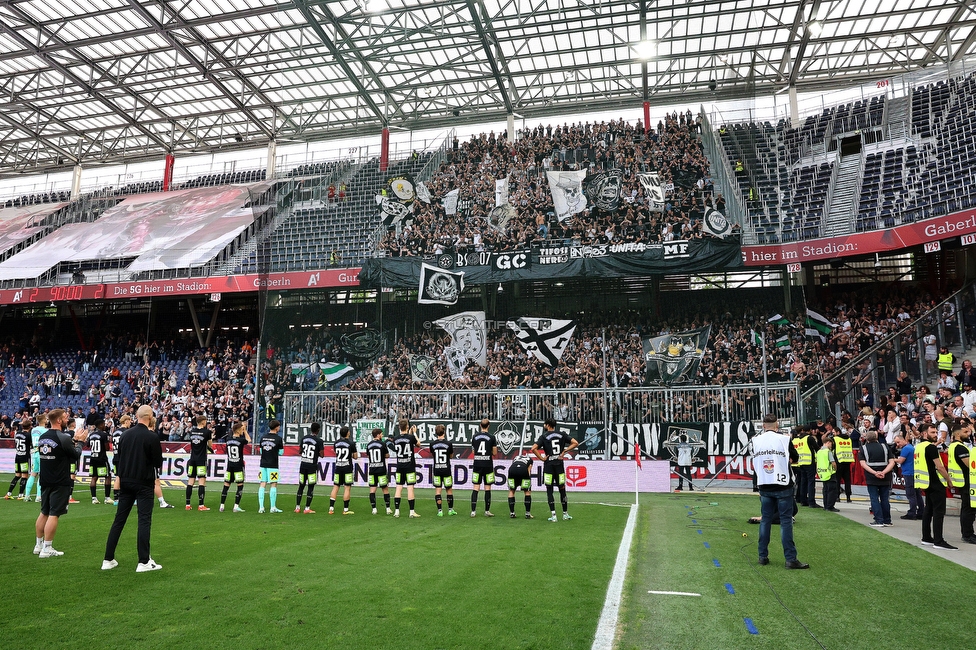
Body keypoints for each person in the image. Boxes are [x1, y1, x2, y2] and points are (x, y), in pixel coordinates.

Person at [102, 405, 163, 572]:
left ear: (137, 416)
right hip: (143, 482)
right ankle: (143, 561)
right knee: (144, 520)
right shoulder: (151, 437)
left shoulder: (125, 435)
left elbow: (119, 458)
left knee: (119, 520)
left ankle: (108, 559)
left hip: (126, 481)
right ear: (150, 417)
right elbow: (158, 462)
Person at [751, 413, 808, 569]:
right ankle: (790, 559)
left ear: (763, 426)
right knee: (785, 522)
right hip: (783, 484)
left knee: (765, 520)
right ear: (777, 426)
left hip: (764, 484)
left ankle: (762, 556)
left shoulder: (755, 441)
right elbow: (795, 458)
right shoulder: (784, 439)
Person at [34, 409, 89, 558]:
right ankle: (47, 547)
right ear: (59, 420)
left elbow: (59, 452)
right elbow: (75, 455)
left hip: (45, 479)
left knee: (44, 512)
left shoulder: (43, 437)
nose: (67, 419)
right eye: (65, 417)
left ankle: (38, 545)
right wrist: (80, 442)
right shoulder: (62, 437)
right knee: (54, 513)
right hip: (60, 480)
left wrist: (74, 441)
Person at [915, 422, 955, 550]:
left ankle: (926, 537)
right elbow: (940, 466)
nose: (936, 435)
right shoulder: (931, 448)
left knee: (929, 510)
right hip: (935, 482)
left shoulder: (919, 446)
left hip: (925, 482)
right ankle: (938, 540)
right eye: (933, 432)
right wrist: (949, 480)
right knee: (938, 512)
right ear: (924, 433)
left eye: (936, 432)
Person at [531, 418, 579, 522]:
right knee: (562, 489)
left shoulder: (544, 436)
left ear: (547, 425)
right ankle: (565, 514)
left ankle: (553, 515)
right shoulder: (562, 434)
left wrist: (542, 458)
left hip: (549, 465)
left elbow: (533, 448)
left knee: (549, 490)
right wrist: (564, 451)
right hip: (559, 465)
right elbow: (575, 443)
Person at [859, 430, 895, 528]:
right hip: (885, 476)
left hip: (872, 477)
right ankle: (887, 520)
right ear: (876, 438)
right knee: (885, 499)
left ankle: (879, 520)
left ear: (867, 439)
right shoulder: (885, 447)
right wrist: (884, 472)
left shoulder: (863, 448)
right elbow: (892, 462)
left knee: (874, 499)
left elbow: (863, 464)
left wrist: (875, 473)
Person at [947, 423, 975, 544]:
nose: (968, 434)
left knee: (966, 508)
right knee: (969, 509)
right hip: (966, 481)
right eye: (966, 432)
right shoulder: (960, 448)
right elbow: (970, 465)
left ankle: (967, 533)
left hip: (960, 481)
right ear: (958, 434)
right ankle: (967, 534)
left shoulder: (953, 446)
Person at [392, 419, 421, 518]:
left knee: (398, 488)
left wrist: (409, 433)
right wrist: (415, 433)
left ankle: (396, 511)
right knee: (410, 488)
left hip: (400, 466)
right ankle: (411, 511)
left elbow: (404, 440)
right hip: (409, 466)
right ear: (407, 426)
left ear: (399, 427)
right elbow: (418, 444)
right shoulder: (411, 437)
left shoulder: (395, 438)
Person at [219, 421, 249, 513]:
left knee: (226, 485)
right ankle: (236, 506)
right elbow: (249, 440)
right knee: (240, 486)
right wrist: (245, 431)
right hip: (238, 466)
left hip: (230, 466)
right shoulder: (241, 440)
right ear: (239, 430)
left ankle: (222, 506)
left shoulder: (228, 439)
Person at [470, 418, 498, 517]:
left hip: (477, 464)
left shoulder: (474, 436)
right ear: (488, 426)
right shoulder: (492, 437)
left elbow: (473, 452)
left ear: (480, 425)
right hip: (488, 465)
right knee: (487, 488)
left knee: (476, 487)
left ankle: (473, 511)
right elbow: (495, 453)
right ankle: (487, 511)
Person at [329, 425, 359, 515]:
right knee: (347, 487)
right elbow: (355, 457)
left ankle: (331, 508)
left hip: (338, 466)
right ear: (348, 433)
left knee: (336, 486)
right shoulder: (351, 443)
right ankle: (345, 510)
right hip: (347, 468)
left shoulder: (336, 443)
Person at [185, 415, 212, 511]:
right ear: (203, 422)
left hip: (192, 459)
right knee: (201, 481)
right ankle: (201, 505)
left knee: (190, 481)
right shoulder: (207, 432)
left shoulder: (192, 431)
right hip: (201, 459)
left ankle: (187, 504)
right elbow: (210, 444)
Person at [296, 422, 324, 513]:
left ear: (311, 429)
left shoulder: (304, 438)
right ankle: (307, 508)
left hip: (303, 465)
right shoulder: (319, 441)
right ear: (318, 430)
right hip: (312, 466)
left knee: (301, 486)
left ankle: (297, 507)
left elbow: (300, 451)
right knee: (310, 487)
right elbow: (322, 454)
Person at [257, 419, 285, 514]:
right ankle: (272, 507)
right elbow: (281, 452)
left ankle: (261, 507)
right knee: (273, 484)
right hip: (273, 464)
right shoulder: (278, 439)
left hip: (263, 463)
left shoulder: (263, 437)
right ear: (277, 427)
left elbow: (261, 451)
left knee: (262, 484)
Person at [429, 424, 456, 517]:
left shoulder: (432, 444)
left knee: (438, 490)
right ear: (444, 432)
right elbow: (451, 456)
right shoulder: (448, 444)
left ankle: (440, 511)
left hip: (437, 469)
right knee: (449, 490)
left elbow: (433, 455)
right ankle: (450, 510)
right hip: (446, 469)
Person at [894, 434, 921, 520]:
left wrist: (892, 459)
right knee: (917, 494)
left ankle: (912, 513)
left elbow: (901, 460)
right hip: (913, 472)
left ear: (903, 440)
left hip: (908, 473)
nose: (897, 444)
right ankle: (921, 512)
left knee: (910, 494)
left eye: (898, 442)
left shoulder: (906, 449)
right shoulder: (911, 447)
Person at [365, 428, 392, 515]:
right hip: (381, 469)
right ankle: (388, 509)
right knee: (385, 489)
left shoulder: (369, 445)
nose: (382, 435)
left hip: (372, 469)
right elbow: (387, 455)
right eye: (381, 434)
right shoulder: (382, 444)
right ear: (378, 435)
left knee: (372, 489)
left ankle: (374, 509)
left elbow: (368, 456)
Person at [791, 426, 820, 507]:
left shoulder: (796, 440)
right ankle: (811, 502)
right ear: (809, 430)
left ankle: (803, 500)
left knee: (803, 482)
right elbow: (817, 449)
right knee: (811, 482)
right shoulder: (809, 438)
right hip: (809, 462)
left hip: (800, 462)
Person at [87, 418, 113, 504]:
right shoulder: (103, 434)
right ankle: (107, 498)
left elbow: (88, 445)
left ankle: (94, 498)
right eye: (103, 424)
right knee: (107, 476)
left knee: (94, 477)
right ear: (101, 425)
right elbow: (107, 448)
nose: (104, 425)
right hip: (102, 458)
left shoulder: (91, 435)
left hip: (93, 458)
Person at [24, 412, 48, 502]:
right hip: (42, 453)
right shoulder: (45, 430)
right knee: (41, 475)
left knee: (33, 474)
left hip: (34, 452)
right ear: (44, 420)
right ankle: (38, 496)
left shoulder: (33, 430)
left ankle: (27, 495)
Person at [5, 422, 31, 500]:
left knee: (17, 475)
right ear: (30, 427)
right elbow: (31, 444)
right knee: (24, 476)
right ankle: (20, 495)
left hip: (17, 456)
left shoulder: (18, 433)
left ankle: (8, 493)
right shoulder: (28, 435)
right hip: (24, 457)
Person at [832, 422, 855, 502]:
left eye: (834, 433)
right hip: (847, 460)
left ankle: (837, 496)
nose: (833, 435)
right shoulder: (848, 439)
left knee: (837, 480)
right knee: (847, 480)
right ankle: (848, 497)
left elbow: (832, 449)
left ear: (838, 432)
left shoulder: (835, 439)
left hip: (839, 461)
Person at [815, 436, 839, 512]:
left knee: (825, 490)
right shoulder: (828, 451)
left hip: (823, 473)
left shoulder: (819, 451)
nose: (831, 446)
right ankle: (830, 506)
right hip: (830, 473)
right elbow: (833, 462)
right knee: (832, 490)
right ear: (828, 443)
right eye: (831, 444)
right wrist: (835, 469)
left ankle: (825, 505)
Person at [507, 453, 534, 519]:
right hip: (523, 470)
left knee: (511, 491)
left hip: (512, 470)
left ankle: (512, 513)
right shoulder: (530, 459)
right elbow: (529, 470)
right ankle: (527, 513)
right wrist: (528, 481)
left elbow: (513, 464)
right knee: (527, 492)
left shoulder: (516, 457)